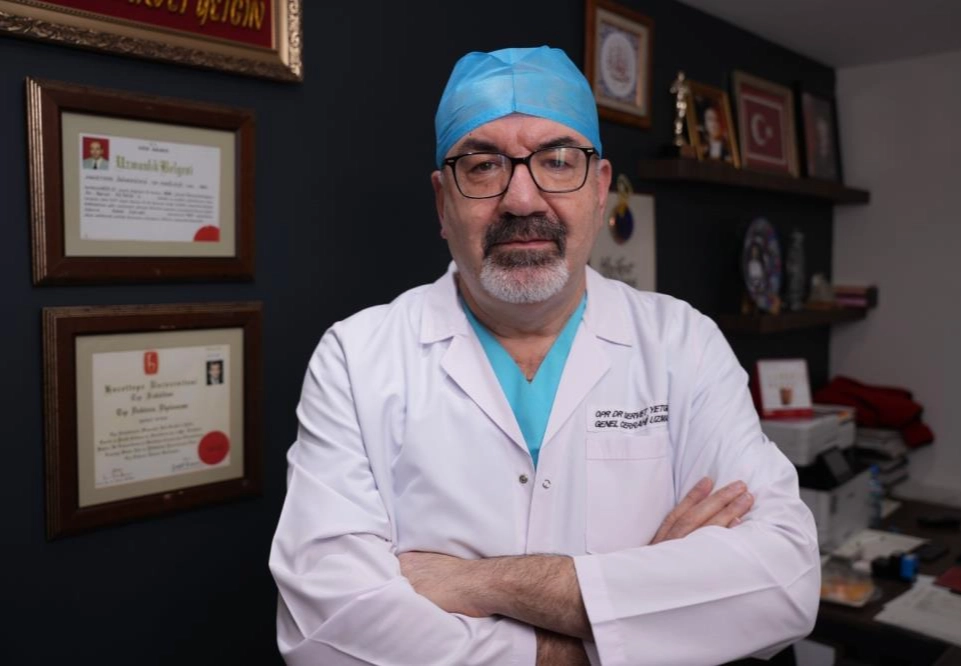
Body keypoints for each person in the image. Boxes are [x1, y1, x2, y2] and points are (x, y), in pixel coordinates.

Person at [270, 46, 819, 665]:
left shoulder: (681, 343)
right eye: (483, 166)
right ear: (442, 203)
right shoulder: (357, 358)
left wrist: (482, 582)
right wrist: (618, 625)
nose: (523, 200)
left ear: (600, 190)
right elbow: (327, 632)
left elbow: (784, 582)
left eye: (557, 161)